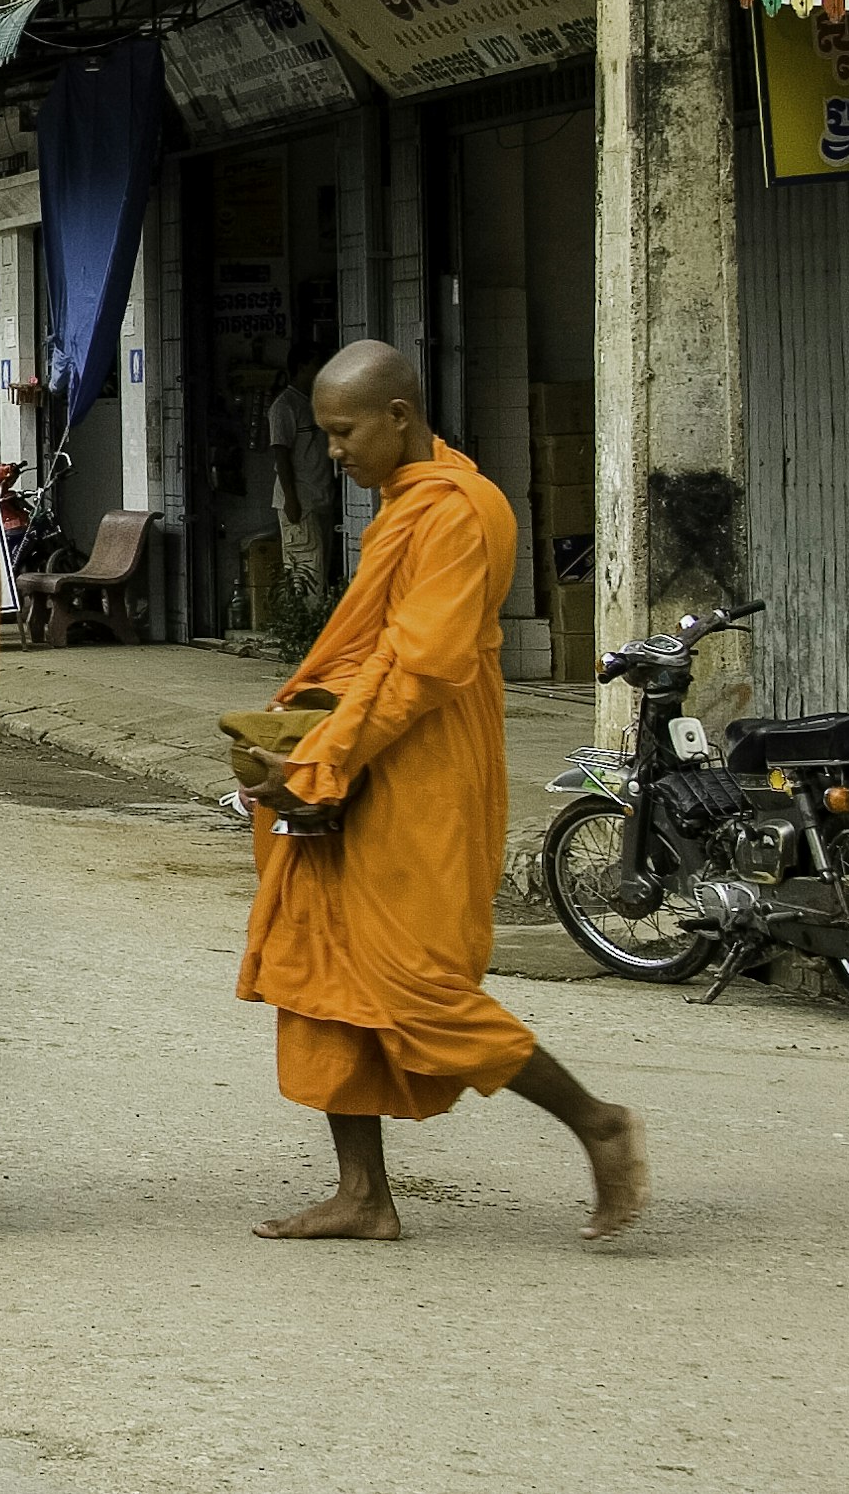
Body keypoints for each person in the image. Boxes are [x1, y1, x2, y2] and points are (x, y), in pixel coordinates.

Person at [236, 342, 646, 1242]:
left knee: (416, 984)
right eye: (325, 435)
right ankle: (363, 1196)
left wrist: (322, 764)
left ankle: (598, 1123)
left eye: (343, 433)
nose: (333, 452)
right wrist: (304, 737)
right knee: (322, 973)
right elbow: (367, 653)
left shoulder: (462, 510)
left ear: (399, 416)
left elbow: (419, 668)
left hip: (425, 766)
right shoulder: (400, 506)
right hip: (360, 754)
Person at [268, 326, 339, 600]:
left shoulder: (314, 402)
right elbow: (281, 454)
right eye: (316, 365)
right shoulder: (284, 406)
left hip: (320, 497)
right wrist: (291, 498)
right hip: (300, 500)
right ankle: (305, 632)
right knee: (306, 570)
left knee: (322, 567)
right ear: (300, 367)